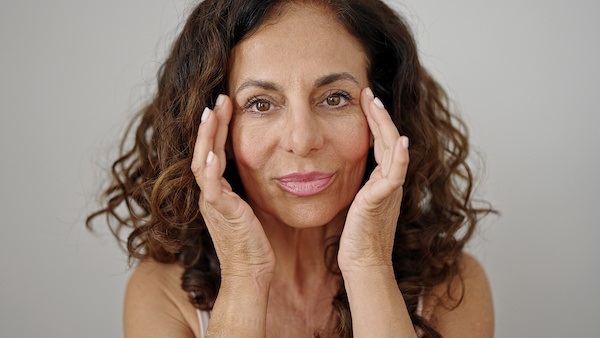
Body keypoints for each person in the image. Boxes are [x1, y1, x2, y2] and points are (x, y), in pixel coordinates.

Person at [88, 0, 495, 337]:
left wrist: (369, 265)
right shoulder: (161, 295)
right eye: (261, 104)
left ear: (385, 113)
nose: (302, 141)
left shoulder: (450, 287)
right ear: (212, 129)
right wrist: (245, 275)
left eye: (335, 98)